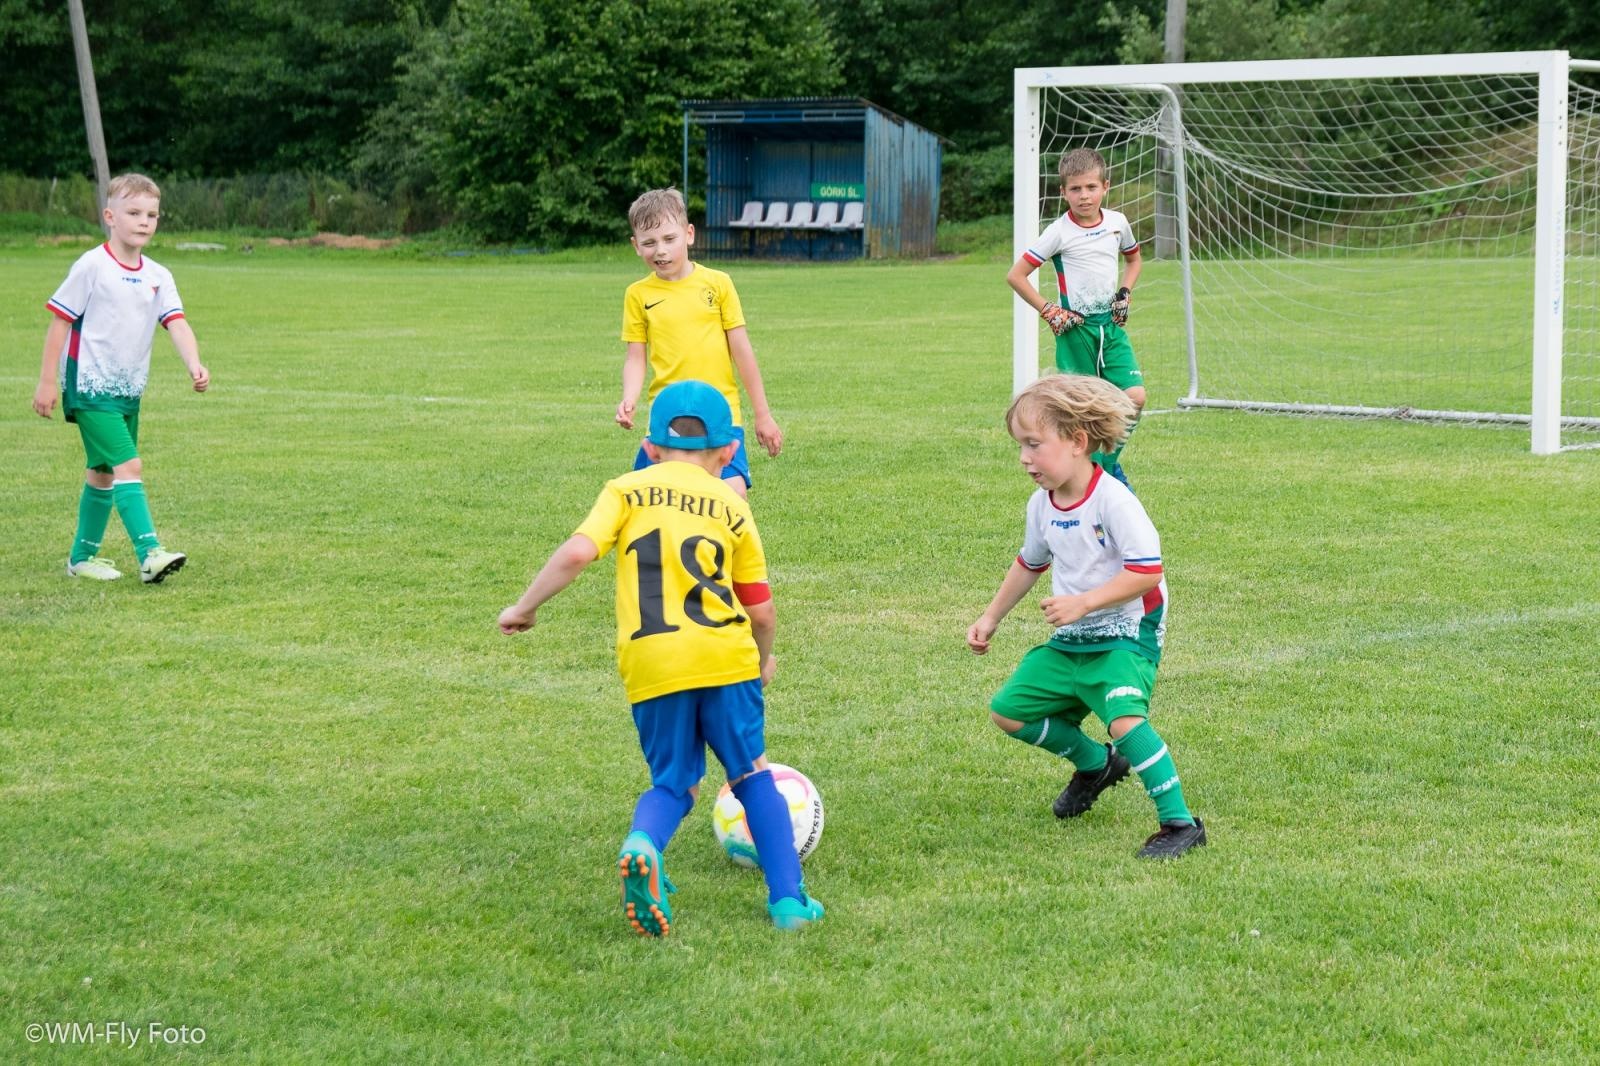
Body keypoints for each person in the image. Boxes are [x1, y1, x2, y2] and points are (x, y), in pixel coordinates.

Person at [499, 380, 823, 934]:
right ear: (727, 453)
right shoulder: (732, 505)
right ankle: (789, 902)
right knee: (751, 774)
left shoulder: (624, 490)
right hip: (725, 657)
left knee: (675, 784)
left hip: (652, 663)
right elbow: (761, 611)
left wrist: (525, 606)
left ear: (650, 448)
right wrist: (763, 659)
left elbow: (579, 551)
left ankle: (644, 842)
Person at [966, 374, 1206, 859]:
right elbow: (1029, 562)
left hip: (1126, 634)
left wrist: (1084, 602)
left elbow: (1145, 573)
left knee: (1124, 719)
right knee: (1008, 712)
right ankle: (1096, 764)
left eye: (1034, 445)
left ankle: (1180, 823)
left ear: (1078, 442)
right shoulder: (1042, 505)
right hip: (1074, 638)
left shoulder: (1114, 500)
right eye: (1020, 446)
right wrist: (991, 617)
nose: (1024, 458)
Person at [32, 173, 209, 584]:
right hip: (90, 387)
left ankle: (81, 558)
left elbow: (177, 324)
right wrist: (46, 382)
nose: (144, 221)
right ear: (110, 216)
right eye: (134, 213)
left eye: (152, 214)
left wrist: (194, 363)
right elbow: (60, 322)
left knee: (103, 472)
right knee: (129, 464)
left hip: (128, 391)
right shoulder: (92, 266)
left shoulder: (159, 275)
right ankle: (150, 555)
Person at [616, 187, 781, 498]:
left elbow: (741, 351)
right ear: (636, 246)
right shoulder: (637, 295)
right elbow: (635, 357)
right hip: (667, 414)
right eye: (649, 243)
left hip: (721, 412)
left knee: (732, 495)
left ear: (689, 234)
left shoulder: (718, 284)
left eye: (669, 239)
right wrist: (629, 398)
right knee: (646, 498)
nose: (660, 251)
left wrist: (763, 414)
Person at [1005, 148, 1144, 489]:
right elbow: (1017, 275)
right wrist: (1049, 309)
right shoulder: (1058, 231)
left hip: (1109, 329)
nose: (1084, 196)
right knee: (1080, 409)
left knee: (1135, 397)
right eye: (1076, 189)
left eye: (1091, 187)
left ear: (1105, 186)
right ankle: (1088, 479)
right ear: (1062, 192)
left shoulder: (1117, 223)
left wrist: (1124, 292)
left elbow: (1134, 260)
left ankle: (1104, 466)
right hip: (1076, 330)